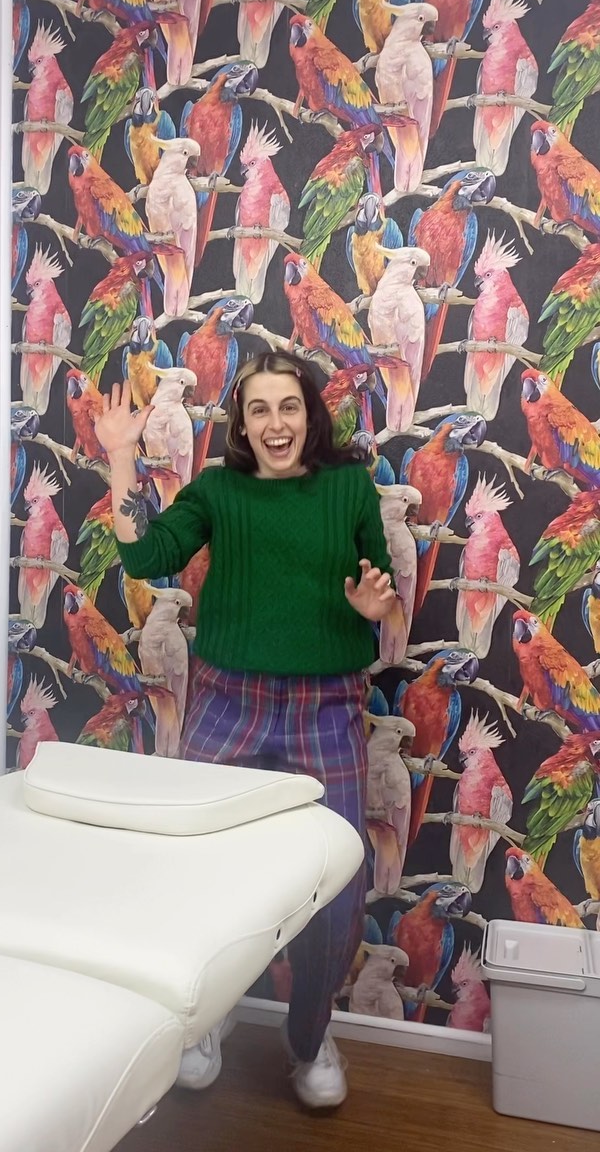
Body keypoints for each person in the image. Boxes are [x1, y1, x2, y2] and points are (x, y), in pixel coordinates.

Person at [94, 350, 395, 1110]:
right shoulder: (219, 491)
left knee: (335, 885)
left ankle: (310, 1039)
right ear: (242, 424)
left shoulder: (349, 488)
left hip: (326, 704)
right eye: (259, 409)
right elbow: (147, 554)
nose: (275, 423)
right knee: (202, 871)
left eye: (288, 406)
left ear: (309, 416)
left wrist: (376, 607)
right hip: (229, 700)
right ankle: (204, 1022)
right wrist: (122, 456)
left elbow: (381, 586)